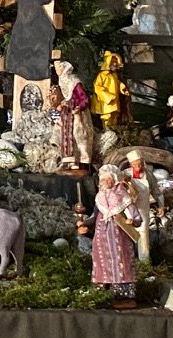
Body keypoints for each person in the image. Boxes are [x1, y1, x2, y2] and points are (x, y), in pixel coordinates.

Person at [91, 163, 139, 297]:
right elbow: (94, 215)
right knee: (101, 260)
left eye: (108, 179)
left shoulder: (122, 197)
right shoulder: (100, 198)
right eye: (103, 180)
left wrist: (132, 221)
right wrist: (84, 223)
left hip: (118, 234)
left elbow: (135, 216)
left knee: (121, 260)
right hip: (101, 235)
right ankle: (102, 288)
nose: (105, 182)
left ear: (114, 180)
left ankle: (122, 290)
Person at [49, 59, 95, 167]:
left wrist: (80, 107)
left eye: (58, 68)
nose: (57, 71)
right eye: (55, 69)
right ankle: (68, 160)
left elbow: (84, 98)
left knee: (78, 134)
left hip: (77, 112)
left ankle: (81, 161)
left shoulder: (74, 81)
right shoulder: (61, 80)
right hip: (67, 111)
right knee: (64, 134)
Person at [91, 49, 130, 132]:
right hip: (106, 104)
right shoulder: (101, 76)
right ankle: (107, 132)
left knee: (114, 117)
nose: (115, 64)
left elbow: (116, 83)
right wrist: (108, 96)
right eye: (113, 62)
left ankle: (113, 132)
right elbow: (97, 87)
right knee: (107, 118)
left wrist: (122, 88)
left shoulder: (114, 75)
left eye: (115, 62)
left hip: (114, 103)